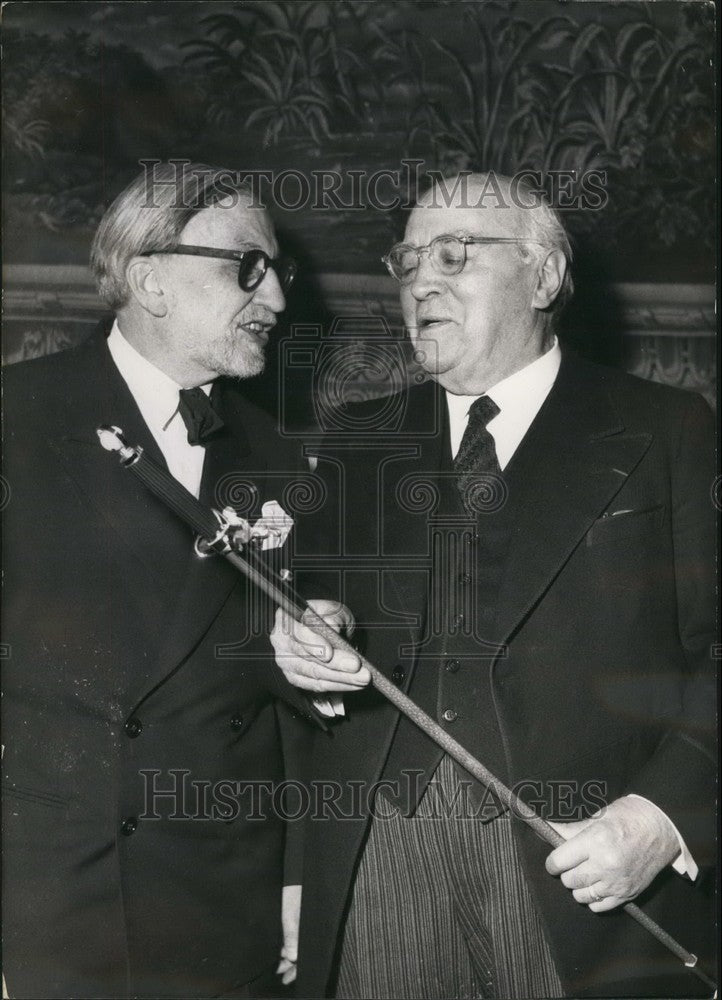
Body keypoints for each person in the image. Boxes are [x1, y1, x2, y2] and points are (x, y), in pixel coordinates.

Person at [270, 173, 717, 998]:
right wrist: (304, 654)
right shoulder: (356, 442)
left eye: (455, 255)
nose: (421, 283)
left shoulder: (669, 430)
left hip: (578, 861)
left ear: (544, 278)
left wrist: (662, 817)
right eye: (407, 262)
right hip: (379, 854)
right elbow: (309, 663)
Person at [2, 162, 319, 999]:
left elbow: (286, 713)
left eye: (279, 271)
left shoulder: (281, 459)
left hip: (224, 913)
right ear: (150, 280)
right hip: (47, 904)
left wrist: (293, 883)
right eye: (247, 268)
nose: (278, 301)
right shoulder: (16, 419)